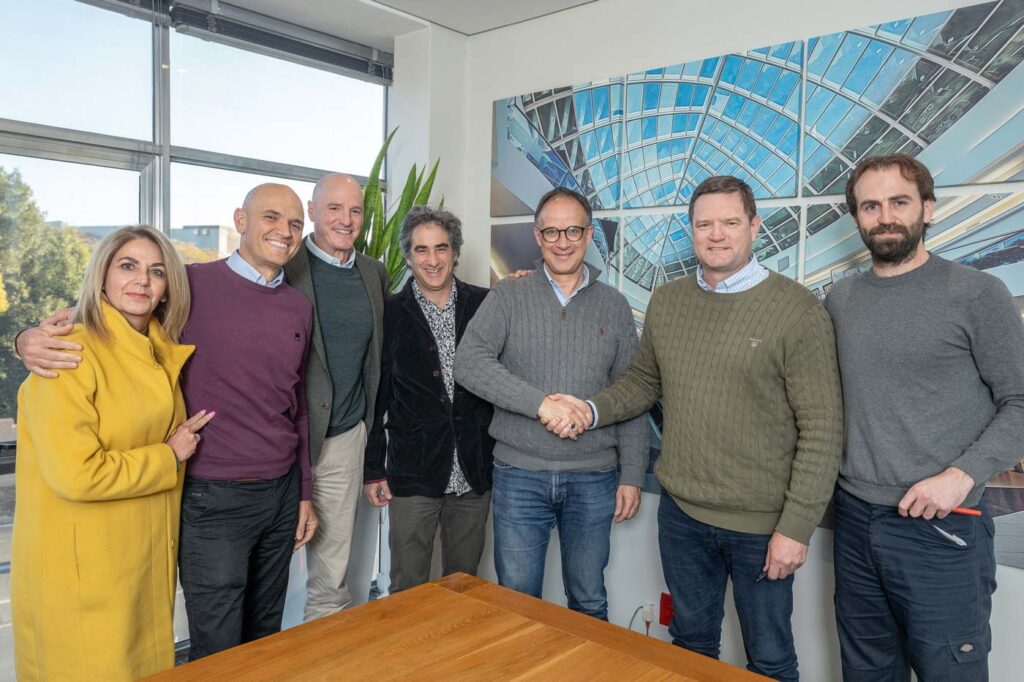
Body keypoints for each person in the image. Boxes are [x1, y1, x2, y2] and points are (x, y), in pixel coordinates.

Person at [556, 176, 842, 681]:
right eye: (704, 224)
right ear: (690, 231)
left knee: (770, 657)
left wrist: (795, 529)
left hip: (762, 526)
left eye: (730, 222)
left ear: (754, 226)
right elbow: (643, 383)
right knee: (688, 649)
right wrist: (589, 409)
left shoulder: (798, 311)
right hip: (683, 517)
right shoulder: (668, 302)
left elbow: (822, 430)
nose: (716, 234)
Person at [17, 184, 318, 659]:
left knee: (264, 634)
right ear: (241, 221)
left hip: (275, 492)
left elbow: (295, 400)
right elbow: (99, 316)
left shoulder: (296, 305)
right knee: (216, 643)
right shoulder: (190, 284)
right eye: (271, 217)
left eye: (295, 223)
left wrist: (303, 490)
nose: (284, 231)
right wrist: (25, 338)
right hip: (213, 492)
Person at [826, 154, 1024, 681]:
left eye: (899, 202)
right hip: (855, 522)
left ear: (928, 209)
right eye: (871, 205)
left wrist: (960, 477)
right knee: (866, 672)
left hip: (941, 529)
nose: (885, 215)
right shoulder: (839, 299)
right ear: (857, 218)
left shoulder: (978, 294)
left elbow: (1021, 402)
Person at [12, 226, 213, 680]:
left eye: (155, 271)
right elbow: (76, 475)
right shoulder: (68, 352)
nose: (141, 280)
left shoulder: (159, 351)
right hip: (84, 575)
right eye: (128, 266)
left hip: (139, 564)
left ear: (166, 288)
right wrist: (169, 455)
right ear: (101, 275)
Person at [453, 187, 647, 621]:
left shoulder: (614, 306)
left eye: (573, 230)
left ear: (589, 234)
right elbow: (468, 362)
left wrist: (632, 474)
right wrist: (542, 404)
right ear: (537, 236)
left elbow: (631, 390)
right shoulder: (508, 296)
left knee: (589, 600)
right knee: (517, 604)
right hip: (519, 476)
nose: (562, 241)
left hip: (593, 478)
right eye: (552, 231)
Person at [363, 206, 494, 593]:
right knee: (407, 583)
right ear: (408, 256)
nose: (432, 260)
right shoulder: (388, 312)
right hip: (413, 471)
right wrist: (374, 468)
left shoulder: (485, 306)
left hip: (474, 469)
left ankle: (457, 654)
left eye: (441, 248)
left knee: (464, 585)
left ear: (455, 252)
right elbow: (377, 396)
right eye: (422, 250)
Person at [283, 172, 387, 620]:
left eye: (356, 210)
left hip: (343, 441)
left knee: (331, 581)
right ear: (311, 211)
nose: (346, 220)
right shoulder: (283, 266)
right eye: (334, 208)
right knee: (267, 573)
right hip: (281, 444)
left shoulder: (373, 273)